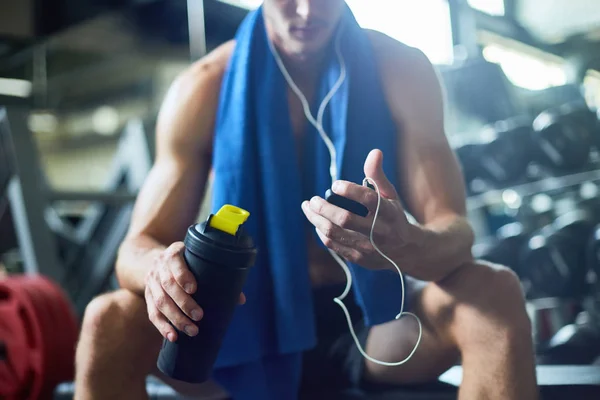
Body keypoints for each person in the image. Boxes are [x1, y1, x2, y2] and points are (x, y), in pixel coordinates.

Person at [74, 1, 538, 399]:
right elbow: (136, 247)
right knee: (108, 319)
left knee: (494, 290)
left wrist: (407, 246)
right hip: (237, 325)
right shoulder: (203, 87)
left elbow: (456, 232)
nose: (308, 11)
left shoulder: (402, 70)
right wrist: (159, 270)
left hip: (374, 327)